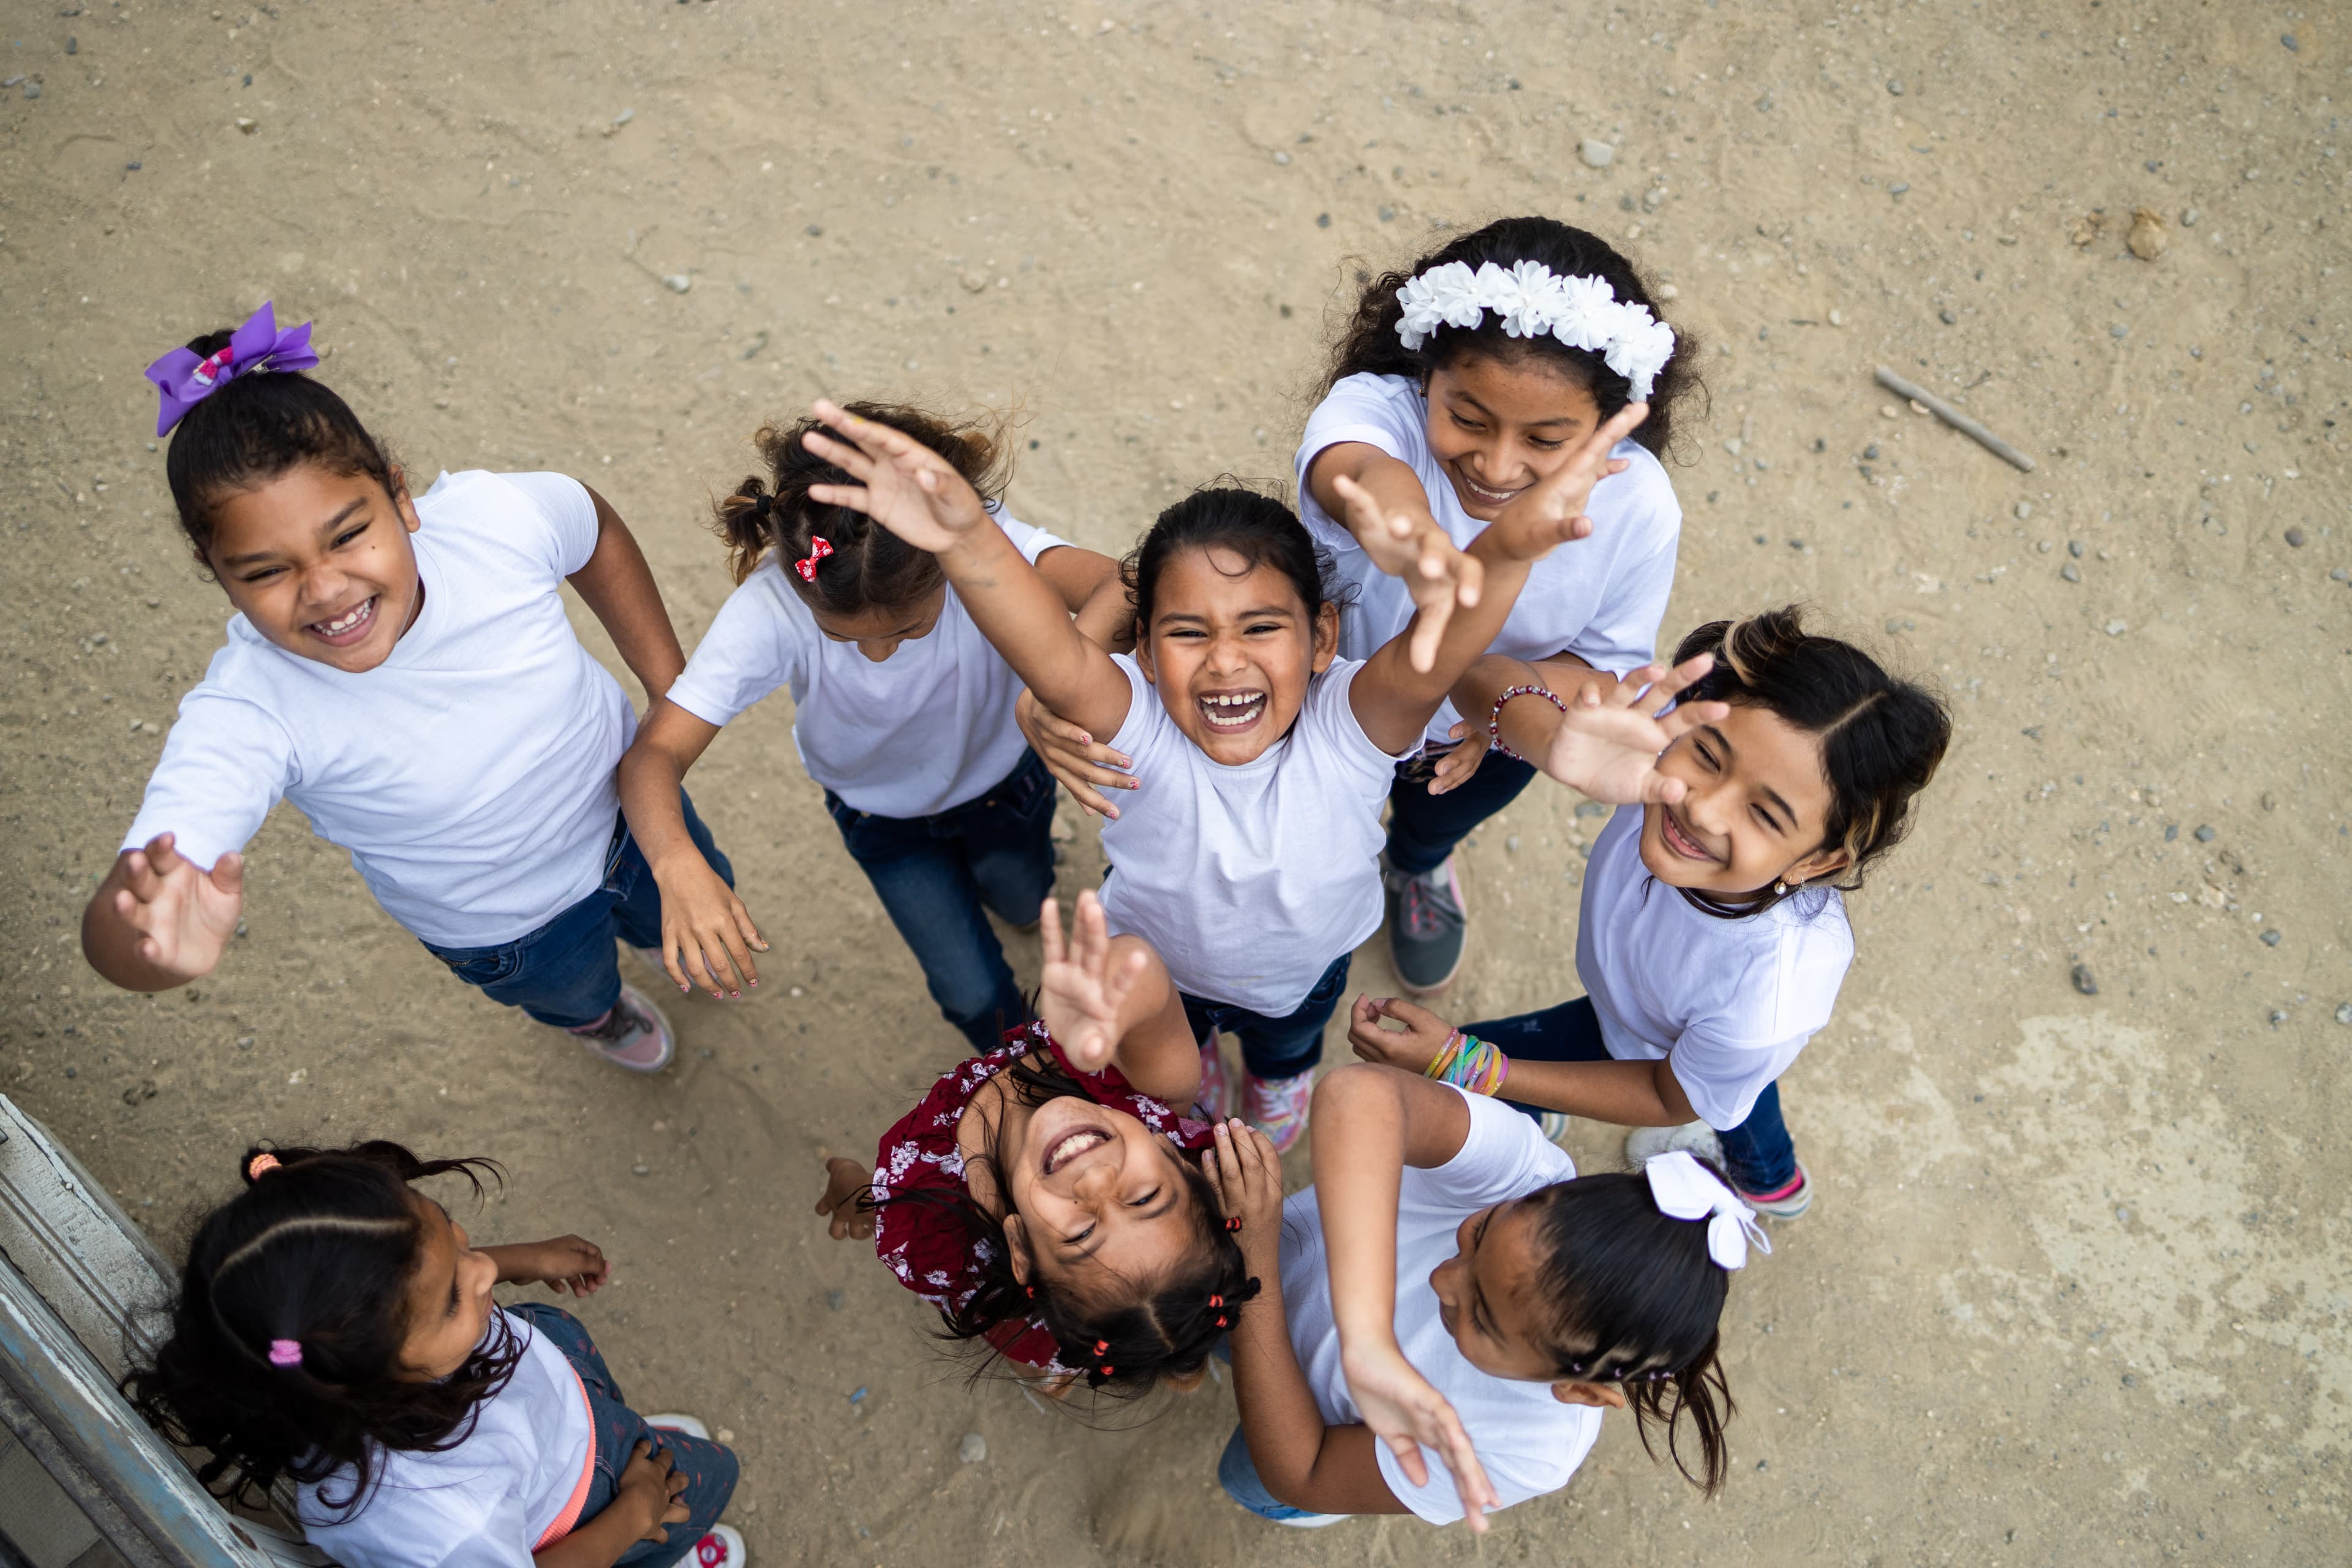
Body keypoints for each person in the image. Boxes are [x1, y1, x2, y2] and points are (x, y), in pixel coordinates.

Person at [797, 398, 1635, 1146]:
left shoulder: (1353, 721)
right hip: (1163, 982)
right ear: (1147, 656)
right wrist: (964, 535)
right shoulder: (1140, 721)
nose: (1225, 662)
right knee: (1178, 1062)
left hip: (1304, 974)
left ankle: (1278, 1084)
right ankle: (1205, 1080)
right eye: (1188, 633)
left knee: (1288, 1045)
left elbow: (1440, 647)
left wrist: (1510, 546)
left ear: (1322, 642)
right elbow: (1050, 655)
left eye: (1261, 627)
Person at [1024, 216, 1693, 997]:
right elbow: (1364, 477)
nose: (1498, 462)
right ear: (1424, 375)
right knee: (1296, 841)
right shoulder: (1371, 414)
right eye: (1468, 418)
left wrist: (1503, 708)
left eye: (1547, 440)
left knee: (1435, 820)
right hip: (1319, 714)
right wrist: (1417, 543)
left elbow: (1596, 668)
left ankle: (1416, 866)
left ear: (1613, 424)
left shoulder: (1639, 507)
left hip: (1486, 739)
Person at [83, 304, 726, 1073]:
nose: (323, 588)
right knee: (574, 990)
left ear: (401, 495)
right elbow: (147, 886)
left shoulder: (494, 523)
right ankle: (598, 1018)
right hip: (510, 929)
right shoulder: (248, 713)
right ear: (218, 574)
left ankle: (671, 939)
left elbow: (591, 526)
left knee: (686, 904)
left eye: (349, 533)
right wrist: (147, 943)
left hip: (644, 815)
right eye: (264, 570)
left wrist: (667, 686)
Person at [1351, 608, 1953, 1219]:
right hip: (1643, 1011)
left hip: (1651, 1042)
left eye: (1766, 815)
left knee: (1732, 1102)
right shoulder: (1649, 731)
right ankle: (1765, 1169)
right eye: (1709, 757)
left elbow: (1668, 1096)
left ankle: (1770, 1182)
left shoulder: (1763, 1002)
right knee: (1732, 1085)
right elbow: (1481, 675)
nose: (1702, 808)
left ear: (1817, 863)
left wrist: (1473, 1065)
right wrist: (1547, 741)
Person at [617, 404, 1120, 1051]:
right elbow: (653, 753)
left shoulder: (976, 542)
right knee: (968, 993)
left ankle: (1023, 897)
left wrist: (1063, 682)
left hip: (1006, 784)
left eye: (909, 630)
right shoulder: (775, 603)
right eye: (845, 638)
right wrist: (674, 859)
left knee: (1024, 895)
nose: (881, 653)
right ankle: (1024, 1068)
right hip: (883, 823)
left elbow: (1121, 581)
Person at [121, 1140, 745, 1568]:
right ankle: (664, 1543)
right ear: (365, 1372)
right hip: (587, 1508)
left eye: (451, 1230)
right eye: (453, 1296)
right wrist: (634, 1512)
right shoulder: (440, 1519)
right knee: (700, 1481)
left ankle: (621, 1443)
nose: (482, 1268)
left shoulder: (353, 1350)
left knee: (617, 1422)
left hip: (551, 1400)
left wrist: (519, 1261)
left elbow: (420, 1284)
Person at [1205, 1063, 1747, 1529]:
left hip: (1257, 1288)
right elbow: (1357, 1095)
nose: (1444, 1278)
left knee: (1248, 1478)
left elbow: (1305, 1474)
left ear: (1580, 1391)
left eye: (1483, 1318)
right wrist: (1364, 1334)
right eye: (1481, 1232)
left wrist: (1254, 1257)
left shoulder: (1530, 1449)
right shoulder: (1524, 1173)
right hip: (1237, 1278)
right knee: (1206, 1337)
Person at [813, 891, 1251, 1394]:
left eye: (1081, 1236)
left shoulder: (936, 1234)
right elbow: (1141, 968)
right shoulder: (1154, 1090)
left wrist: (848, 1183)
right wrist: (1109, 1002)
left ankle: (1070, 1363)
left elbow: (875, 1205)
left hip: (1015, 1294)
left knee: (1019, 1326)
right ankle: (1171, 1353)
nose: (1093, 1183)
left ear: (1019, 1247)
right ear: (1179, 1161)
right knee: (1120, 1326)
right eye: (1144, 1197)